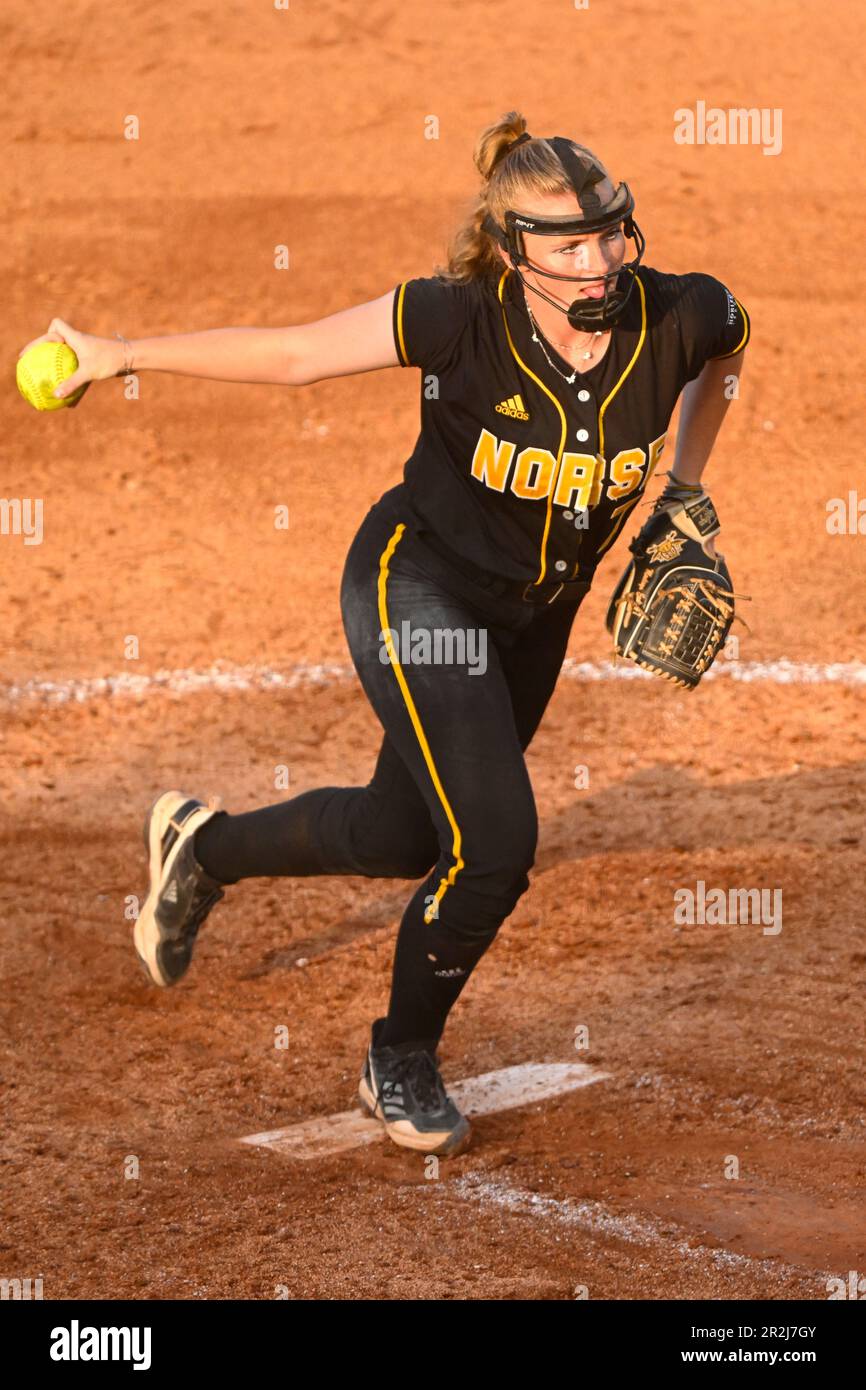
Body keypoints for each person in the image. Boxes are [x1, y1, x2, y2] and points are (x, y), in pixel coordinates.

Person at [20, 111, 750, 1158]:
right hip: (418, 588)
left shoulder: (681, 313)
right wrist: (118, 353)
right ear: (511, 251)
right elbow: (294, 353)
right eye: (569, 244)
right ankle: (396, 1053)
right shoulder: (454, 319)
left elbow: (728, 347)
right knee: (494, 845)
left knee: (403, 833)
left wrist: (683, 489)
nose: (600, 261)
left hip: (531, 618)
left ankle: (204, 847)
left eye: (611, 234)